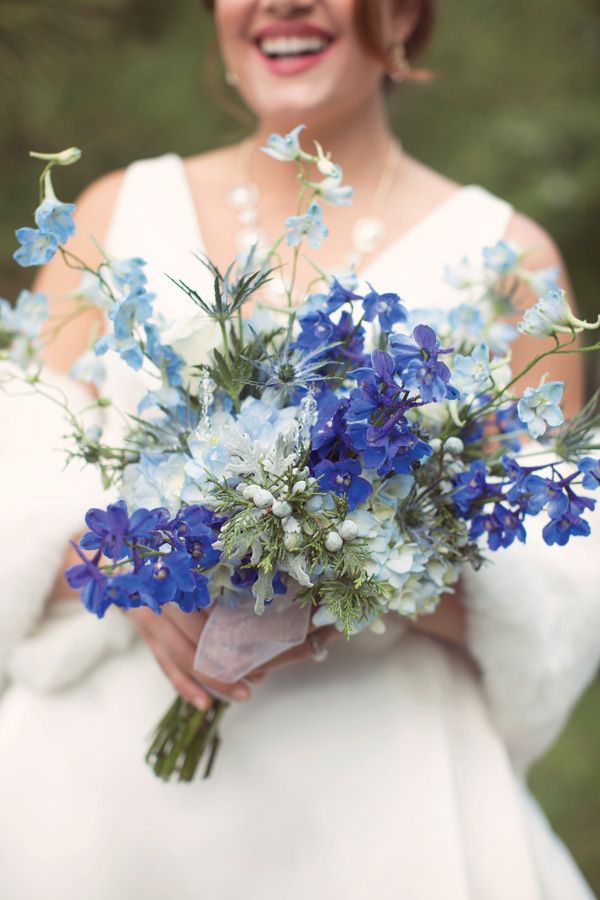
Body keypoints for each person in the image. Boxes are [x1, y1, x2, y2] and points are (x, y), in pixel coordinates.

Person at [0, 1, 598, 897]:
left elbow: (555, 597)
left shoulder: (509, 259)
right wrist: (129, 560)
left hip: (383, 813)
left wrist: (346, 568)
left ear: (402, 11)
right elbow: (19, 484)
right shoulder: (111, 215)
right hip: (98, 801)